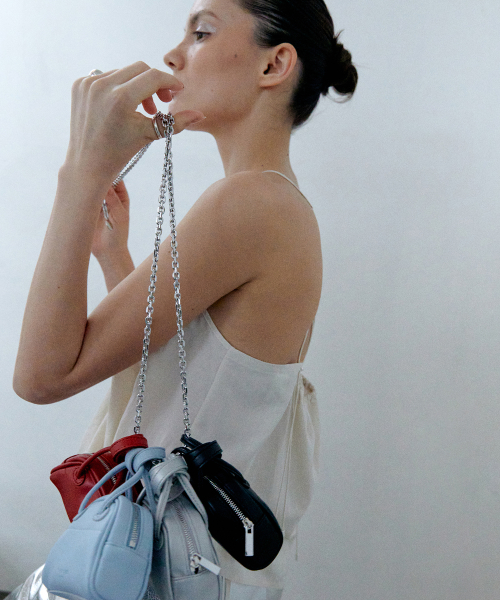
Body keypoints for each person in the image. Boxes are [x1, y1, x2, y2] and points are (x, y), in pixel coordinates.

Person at [13, 0, 357, 598]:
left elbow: (40, 376)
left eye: (201, 32)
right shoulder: (273, 202)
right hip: (187, 568)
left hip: (164, 571)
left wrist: (82, 170)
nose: (174, 56)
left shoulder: (251, 203)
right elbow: (181, 365)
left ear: (274, 65)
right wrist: (112, 256)